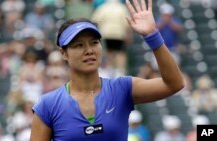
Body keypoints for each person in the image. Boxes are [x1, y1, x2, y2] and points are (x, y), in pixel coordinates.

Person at [30, 0, 185, 140]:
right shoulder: (48, 105)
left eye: (94, 42)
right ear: (63, 53)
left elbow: (174, 84)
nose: (89, 50)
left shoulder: (122, 88)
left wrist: (153, 35)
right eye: (79, 45)